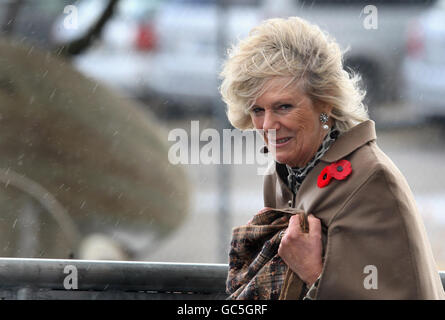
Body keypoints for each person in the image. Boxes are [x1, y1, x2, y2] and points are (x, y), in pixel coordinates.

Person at [220, 17, 445, 300]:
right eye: (257, 110)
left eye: (284, 107)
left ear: (324, 104)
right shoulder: (282, 174)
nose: (268, 126)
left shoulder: (370, 178)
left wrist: (313, 273)